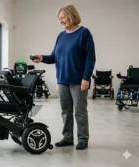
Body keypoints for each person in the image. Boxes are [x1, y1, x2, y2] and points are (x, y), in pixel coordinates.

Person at [32, 4, 96, 150]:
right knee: (65, 111)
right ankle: (67, 137)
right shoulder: (61, 36)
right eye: (59, 19)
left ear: (71, 15)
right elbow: (54, 56)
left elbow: (90, 58)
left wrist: (86, 77)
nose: (60, 21)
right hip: (62, 79)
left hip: (78, 80)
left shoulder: (84, 33)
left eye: (62, 17)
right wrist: (42, 57)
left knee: (80, 111)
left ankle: (83, 139)